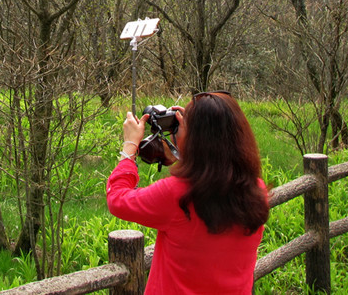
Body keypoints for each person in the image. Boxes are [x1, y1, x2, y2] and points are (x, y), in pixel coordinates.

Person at [106, 92, 268, 294]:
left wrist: (130, 146)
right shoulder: (256, 190)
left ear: (196, 140)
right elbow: (214, 169)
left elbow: (117, 199)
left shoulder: (177, 195)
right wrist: (188, 142)